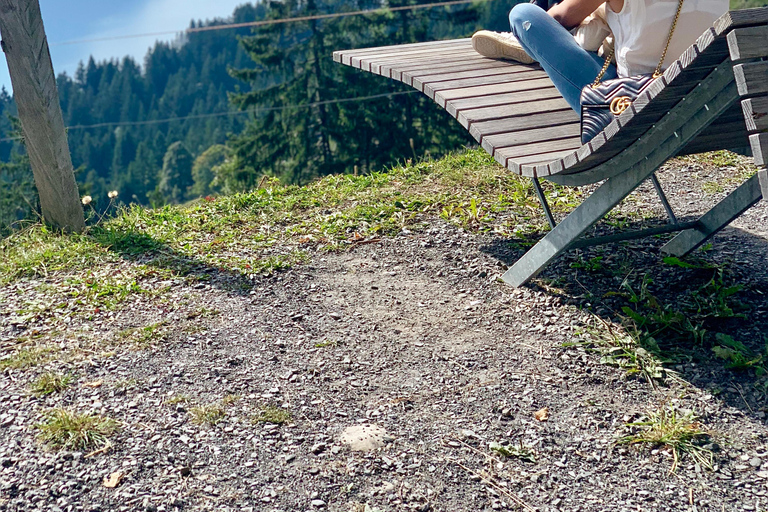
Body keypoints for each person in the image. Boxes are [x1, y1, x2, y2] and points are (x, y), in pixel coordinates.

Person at [472, 0, 729, 113]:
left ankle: (530, 49)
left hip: (629, 105)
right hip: (706, 96)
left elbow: (559, 19)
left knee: (523, 15)